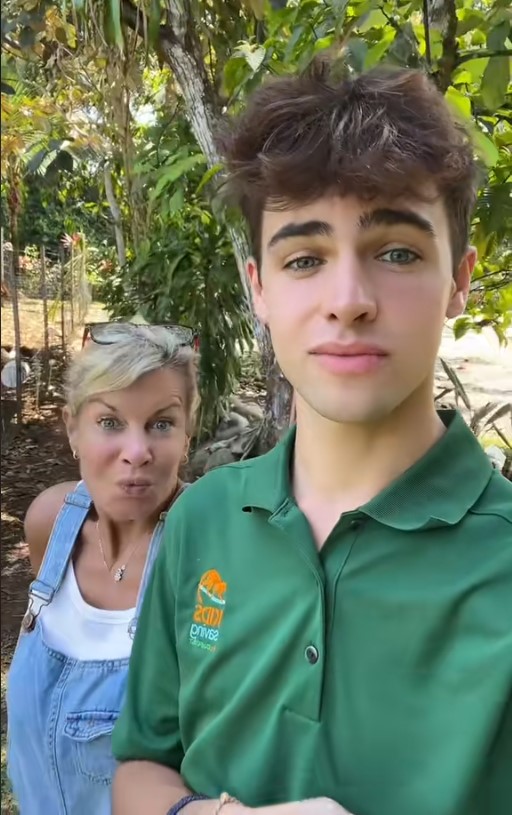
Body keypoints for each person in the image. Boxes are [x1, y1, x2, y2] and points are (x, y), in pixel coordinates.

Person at [111, 63, 512, 815]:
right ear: (259, 288)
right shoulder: (204, 518)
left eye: (396, 251)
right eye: (304, 259)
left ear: (459, 279)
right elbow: (142, 763)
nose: (349, 301)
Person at [7, 322, 198, 815]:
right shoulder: (51, 524)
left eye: (161, 423)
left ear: (188, 430)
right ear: (72, 428)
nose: (137, 452)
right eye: (110, 422)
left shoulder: (205, 554)